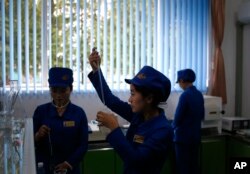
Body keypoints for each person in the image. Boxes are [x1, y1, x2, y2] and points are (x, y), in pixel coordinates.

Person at [88, 50, 173, 174]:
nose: (129, 99)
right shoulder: (139, 116)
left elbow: (137, 161)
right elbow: (110, 100)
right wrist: (97, 71)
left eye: (133, 94)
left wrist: (114, 128)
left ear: (149, 98)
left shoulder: (163, 130)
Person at [33, 67, 88, 174]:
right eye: (54, 90)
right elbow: (29, 142)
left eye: (63, 91)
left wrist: (68, 163)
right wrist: (38, 135)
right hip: (46, 168)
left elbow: (83, 145)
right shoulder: (41, 111)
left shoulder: (79, 113)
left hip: (71, 169)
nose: (58, 95)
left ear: (71, 89)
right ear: (50, 89)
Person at [172, 69, 205, 174]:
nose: (180, 85)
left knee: (183, 168)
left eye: (179, 82)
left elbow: (178, 117)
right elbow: (202, 115)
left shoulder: (185, 95)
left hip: (183, 139)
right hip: (195, 137)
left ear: (182, 80)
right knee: (193, 166)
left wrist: (170, 128)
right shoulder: (199, 94)